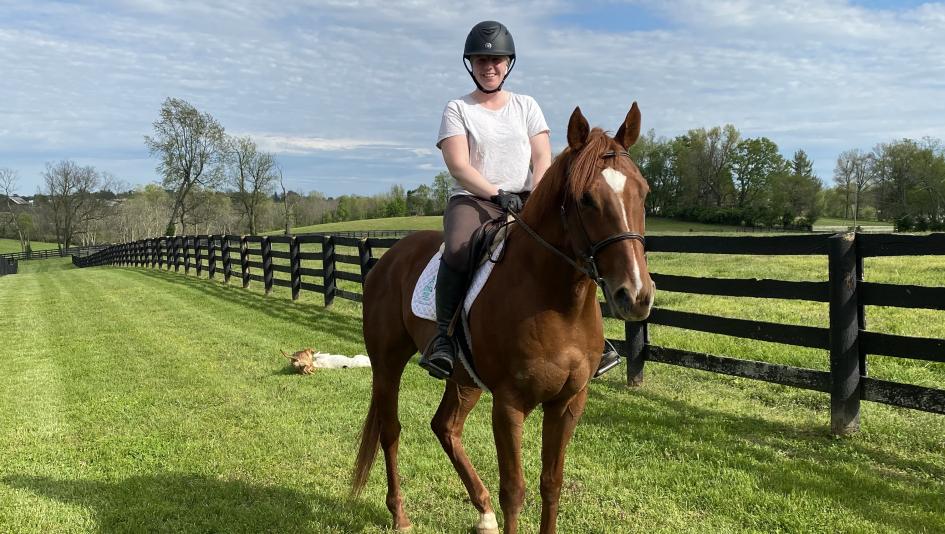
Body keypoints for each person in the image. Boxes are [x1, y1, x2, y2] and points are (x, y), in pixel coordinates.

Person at [418, 20, 621, 380]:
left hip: (527, 200)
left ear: (508, 64)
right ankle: (444, 338)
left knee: (574, 246)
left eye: (496, 60)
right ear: (471, 64)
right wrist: (498, 194)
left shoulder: (526, 105)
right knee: (460, 249)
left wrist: (536, 197)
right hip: (475, 200)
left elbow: (542, 158)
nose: (489, 66)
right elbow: (459, 166)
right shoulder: (458, 109)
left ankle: (595, 341)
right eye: (481, 60)